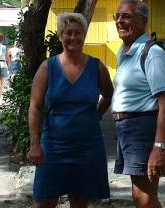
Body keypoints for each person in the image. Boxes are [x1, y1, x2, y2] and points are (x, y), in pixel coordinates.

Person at [28, 13, 113, 208]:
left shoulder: (96, 67)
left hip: (87, 147)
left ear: (84, 35)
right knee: (42, 203)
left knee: (79, 203)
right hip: (53, 146)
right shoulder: (47, 67)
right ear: (60, 36)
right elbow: (34, 106)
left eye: (78, 33)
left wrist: (97, 114)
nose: (73, 37)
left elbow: (108, 94)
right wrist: (34, 144)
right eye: (68, 33)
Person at [112, 0, 165, 208]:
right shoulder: (124, 51)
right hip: (127, 129)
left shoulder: (152, 53)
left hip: (143, 129)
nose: (120, 21)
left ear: (142, 21)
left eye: (126, 16)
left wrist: (159, 147)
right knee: (141, 198)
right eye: (117, 16)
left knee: (144, 199)